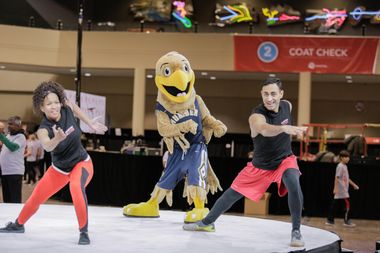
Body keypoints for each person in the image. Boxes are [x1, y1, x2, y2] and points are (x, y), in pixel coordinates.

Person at [183, 77, 307, 247]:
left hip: (284, 160)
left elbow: (283, 114)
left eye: (273, 94)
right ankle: (207, 222)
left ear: (281, 94)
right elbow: (264, 129)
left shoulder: (287, 105)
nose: (269, 98)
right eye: (265, 94)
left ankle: (296, 231)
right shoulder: (256, 116)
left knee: (293, 182)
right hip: (260, 166)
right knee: (231, 193)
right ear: (261, 94)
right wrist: (284, 128)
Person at [0, 81, 107, 245]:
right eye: (49, 103)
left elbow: (75, 108)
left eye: (56, 102)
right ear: (41, 108)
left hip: (82, 163)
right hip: (59, 169)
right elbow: (47, 146)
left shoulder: (66, 108)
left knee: (76, 187)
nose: (54, 106)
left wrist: (90, 122)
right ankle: (18, 225)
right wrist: (56, 138)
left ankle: (83, 232)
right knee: (36, 197)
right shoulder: (44, 128)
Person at [326, 150, 359, 227]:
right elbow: (336, 178)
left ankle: (330, 220)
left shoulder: (344, 166)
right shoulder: (340, 166)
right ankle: (346, 221)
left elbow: (347, 178)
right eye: (345, 157)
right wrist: (335, 188)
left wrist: (354, 185)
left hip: (343, 189)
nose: (348, 158)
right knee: (347, 205)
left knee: (335, 205)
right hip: (341, 190)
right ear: (341, 158)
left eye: (348, 157)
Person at [0, 116, 27, 203]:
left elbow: (13, 147)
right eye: (9, 124)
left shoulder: (21, 137)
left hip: (15, 171)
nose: (9, 126)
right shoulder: (8, 136)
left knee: (14, 199)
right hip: (5, 171)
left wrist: (1, 135)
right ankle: (8, 216)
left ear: (18, 125)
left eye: (11, 124)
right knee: (7, 199)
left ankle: (16, 216)